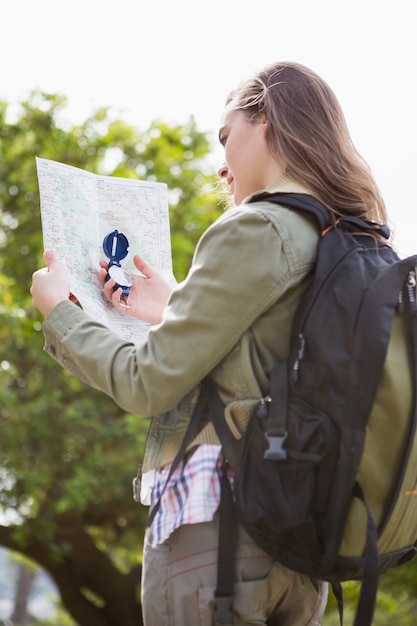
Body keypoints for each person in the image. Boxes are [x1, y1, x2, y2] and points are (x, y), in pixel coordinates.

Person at [30, 61, 388, 625]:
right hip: (302, 544)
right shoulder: (347, 237)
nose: (221, 167)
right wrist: (174, 303)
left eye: (227, 137)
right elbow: (269, 358)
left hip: (218, 533)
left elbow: (145, 382)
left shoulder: (255, 227)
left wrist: (61, 316)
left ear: (266, 119)